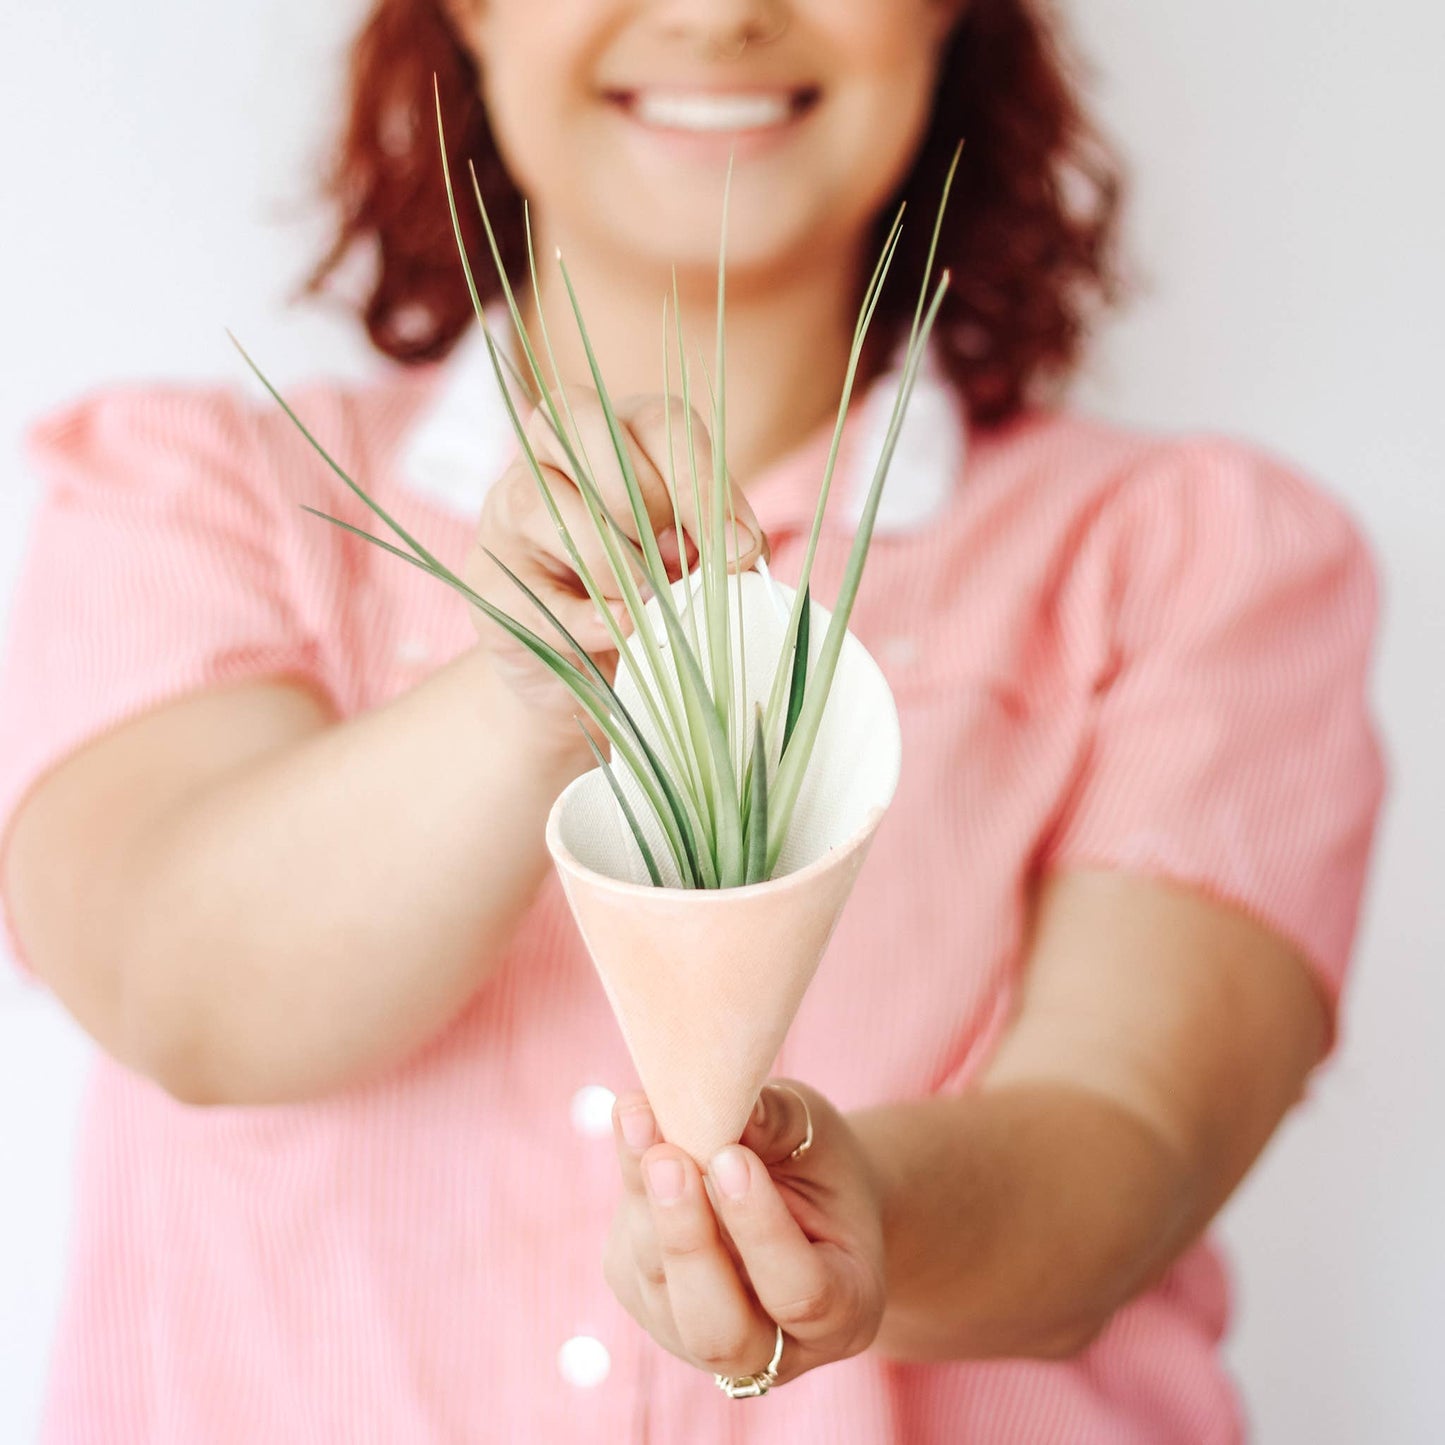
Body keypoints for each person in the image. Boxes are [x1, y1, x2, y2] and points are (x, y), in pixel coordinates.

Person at [0, 0, 1384, 1441]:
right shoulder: (199, 497)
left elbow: (1130, 1142)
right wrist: (530, 688)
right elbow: (188, 988)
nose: (721, 13)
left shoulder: (1188, 556)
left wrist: (863, 1217)